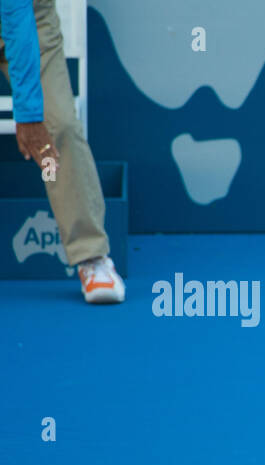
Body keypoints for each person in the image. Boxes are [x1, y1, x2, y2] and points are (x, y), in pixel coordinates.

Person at [1, 0, 124, 303]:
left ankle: (91, 256)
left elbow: (14, 11)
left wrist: (30, 113)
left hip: (27, 15)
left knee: (61, 128)